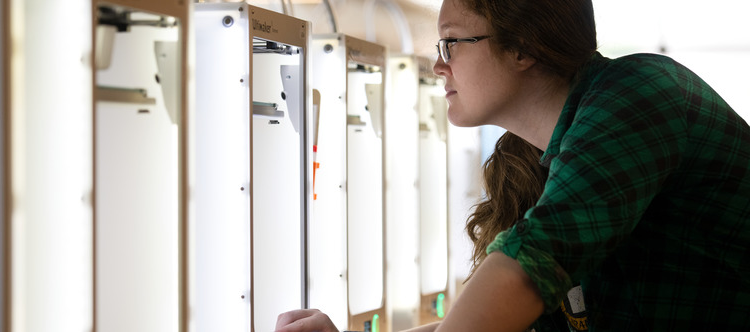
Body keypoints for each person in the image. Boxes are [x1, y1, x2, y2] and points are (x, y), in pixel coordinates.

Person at [277, 0, 750, 330]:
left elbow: (532, 264)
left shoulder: (639, 92)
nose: (439, 66)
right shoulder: (541, 158)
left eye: (450, 43)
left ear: (523, 47)